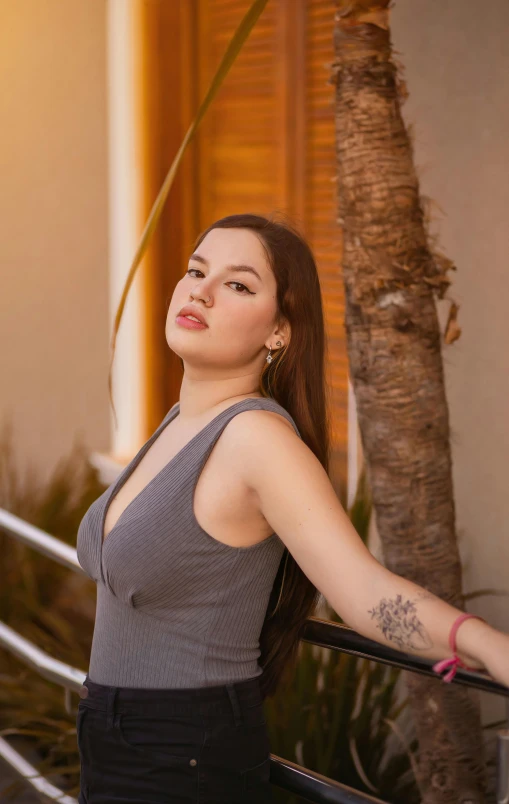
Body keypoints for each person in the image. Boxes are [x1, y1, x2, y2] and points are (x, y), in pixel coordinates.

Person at [75, 213, 509, 803]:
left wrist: (483, 643)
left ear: (279, 331)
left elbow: (362, 592)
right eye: (196, 270)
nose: (199, 290)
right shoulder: (183, 420)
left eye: (238, 284)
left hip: (181, 754)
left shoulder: (257, 439)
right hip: (117, 735)